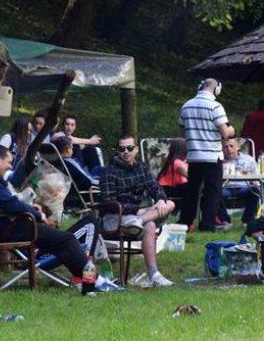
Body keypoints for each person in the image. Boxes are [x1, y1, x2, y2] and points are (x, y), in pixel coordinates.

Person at [0, 145, 90, 282]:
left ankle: (87, 279)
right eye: (9, 162)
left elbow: (7, 203)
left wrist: (29, 207)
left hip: (6, 230)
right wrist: (38, 215)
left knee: (61, 241)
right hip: (14, 230)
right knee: (67, 239)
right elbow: (11, 205)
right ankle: (91, 280)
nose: (10, 166)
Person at [100, 135, 175, 287]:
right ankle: (141, 219)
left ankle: (153, 274)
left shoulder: (142, 168)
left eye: (129, 148)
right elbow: (108, 203)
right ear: (118, 151)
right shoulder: (109, 171)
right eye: (122, 149)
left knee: (169, 205)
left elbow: (155, 188)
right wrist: (137, 210)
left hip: (136, 217)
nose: (126, 152)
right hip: (114, 217)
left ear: (136, 150)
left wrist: (160, 199)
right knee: (150, 224)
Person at [177, 79, 234, 232]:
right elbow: (225, 134)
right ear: (217, 90)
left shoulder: (186, 105)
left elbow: (181, 133)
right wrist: (232, 130)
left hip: (193, 156)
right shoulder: (216, 106)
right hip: (212, 157)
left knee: (192, 191)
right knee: (212, 192)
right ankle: (207, 225)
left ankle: (185, 222)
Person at [218, 138, 260, 226]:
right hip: (225, 187)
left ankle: (248, 220)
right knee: (215, 193)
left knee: (255, 191)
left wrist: (254, 181)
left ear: (238, 147)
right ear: (222, 148)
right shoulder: (219, 161)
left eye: (231, 146)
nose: (229, 149)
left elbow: (256, 176)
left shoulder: (249, 160)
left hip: (244, 187)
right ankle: (224, 220)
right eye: (225, 147)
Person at [156, 138, 190, 219]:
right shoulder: (177, 163)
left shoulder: (174, 160)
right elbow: (192, 177)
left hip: (169, 188)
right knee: (193, 188)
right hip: (166, 190)